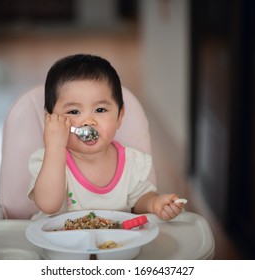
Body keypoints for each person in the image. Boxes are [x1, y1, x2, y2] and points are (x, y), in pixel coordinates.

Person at [28, 54, 184, 221]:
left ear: (119, 116)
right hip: (58, 243)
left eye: (100, 110)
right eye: (74, 112)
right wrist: (55, 147)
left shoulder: (131, 162)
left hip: (114, 245)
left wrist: (154, 203)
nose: (89, 121)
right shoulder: (48, 160)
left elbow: (139, 201)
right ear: (52, 120)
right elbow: (48, 205)